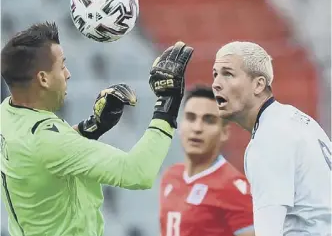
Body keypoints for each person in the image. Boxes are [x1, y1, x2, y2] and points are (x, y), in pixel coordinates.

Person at [0, 21, 194, 236]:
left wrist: (92, 127)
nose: (68, 74)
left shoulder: (7, 114)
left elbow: (44, 155)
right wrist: (167, 103)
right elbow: (137, 172)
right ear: (43, 78)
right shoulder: (48, 140)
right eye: (62, 66)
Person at [212, 41, 331, 236]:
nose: (216, 83)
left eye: (228, 74)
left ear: (258, 84)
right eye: (215, 74)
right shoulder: (296, 119)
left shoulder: (267, 140)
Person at [159, 85, 255, 236]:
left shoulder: (235, 189)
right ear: (179, 126)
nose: (197, 128)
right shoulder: (170, 177)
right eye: (191, 118)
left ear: (224, 132)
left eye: (208, 120)